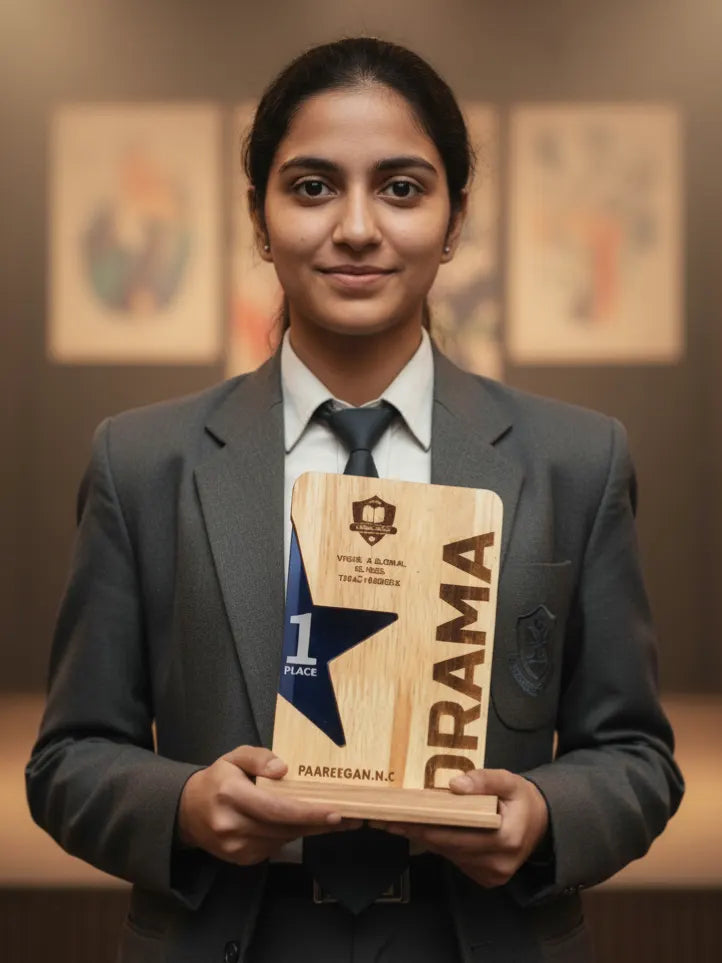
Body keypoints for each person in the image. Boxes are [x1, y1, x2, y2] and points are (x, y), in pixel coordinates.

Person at [26, 37, 684, 963]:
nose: (359, 227)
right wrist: (184, 805)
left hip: (480, 937)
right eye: (312, 186)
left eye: (403, 187)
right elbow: (69, 760)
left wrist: (543, 814)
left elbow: (637, 759)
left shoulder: (576, 459)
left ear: (454, 223)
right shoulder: (143, 461)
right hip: (234, 934)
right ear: (260, 220)